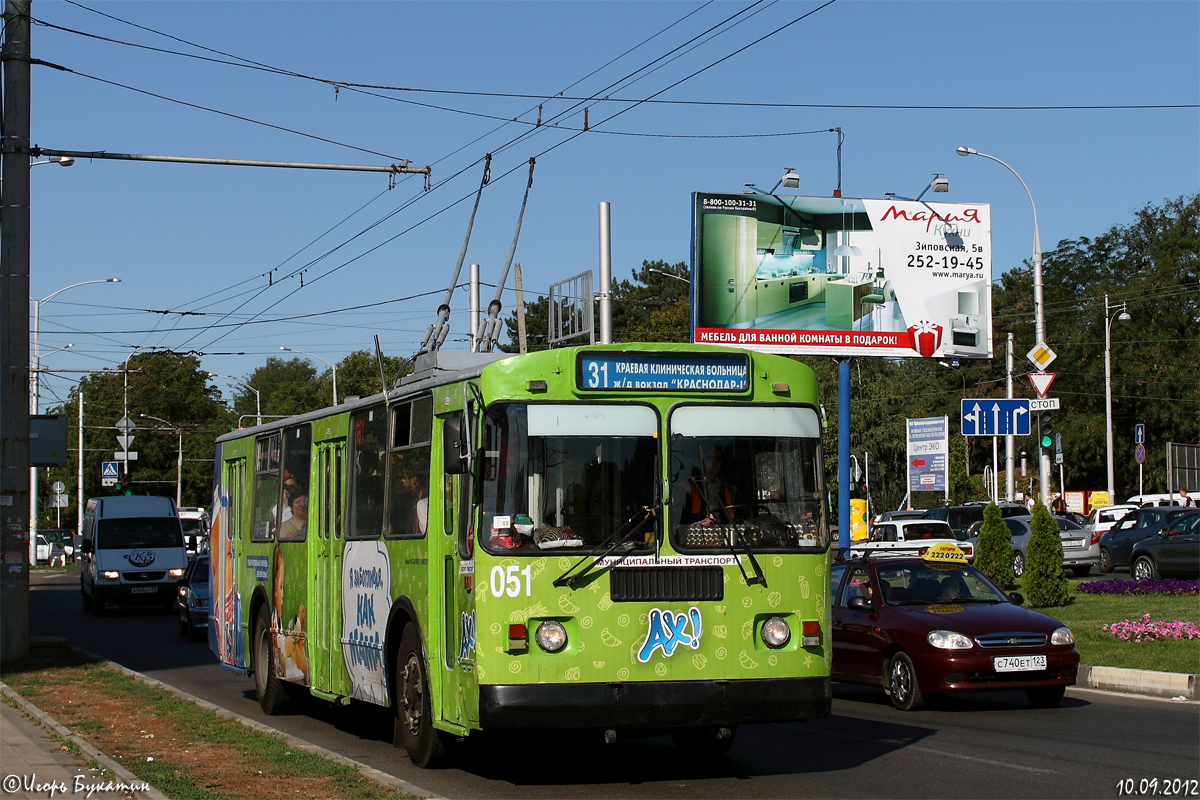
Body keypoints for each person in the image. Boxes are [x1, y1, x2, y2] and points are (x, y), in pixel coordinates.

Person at [680, 443, 736, 527]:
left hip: (725, 534)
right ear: (699, 461)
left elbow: (739, 519)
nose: (714, 463)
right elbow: (679, 523)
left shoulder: (731, 490)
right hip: (696, 534)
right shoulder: (686, 488)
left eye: (718, 459)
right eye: (710, 458)